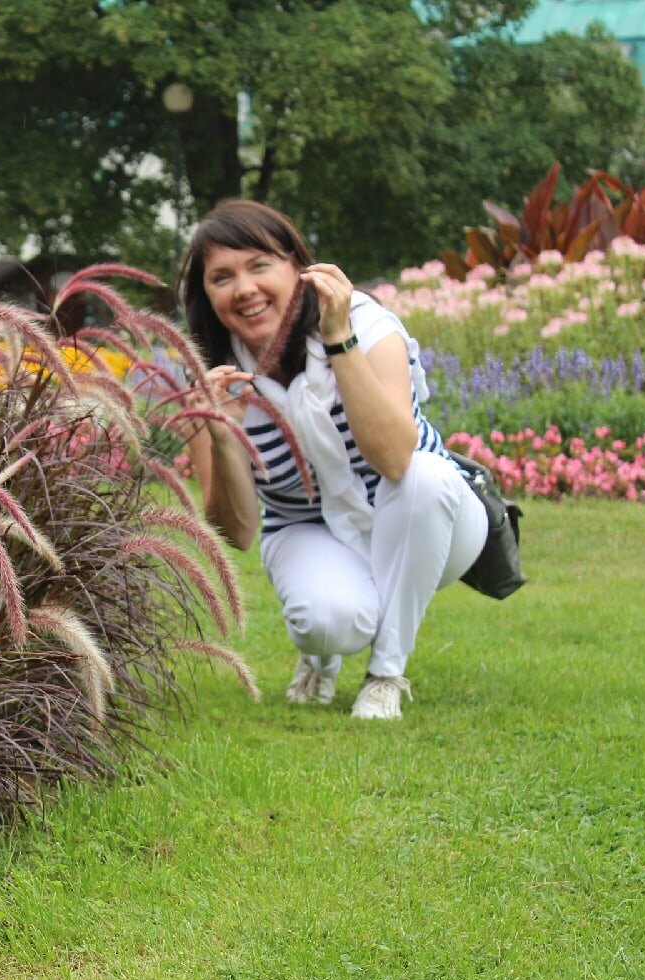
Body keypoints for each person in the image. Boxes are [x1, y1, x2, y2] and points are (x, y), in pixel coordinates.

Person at [182, 200, 487, 720]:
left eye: (260, 265)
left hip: (430, 515)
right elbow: (234, 532)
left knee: (426, 477)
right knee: (331, 620)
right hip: (306, 526)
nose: (244, 289)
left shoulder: (367, 326)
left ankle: (386, 675)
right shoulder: (208, 382)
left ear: (299, 268)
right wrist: (224, 430)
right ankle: (319, 654)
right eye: (222, 277)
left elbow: (395, 460)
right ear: (206, 296)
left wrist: (339, 340)